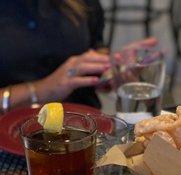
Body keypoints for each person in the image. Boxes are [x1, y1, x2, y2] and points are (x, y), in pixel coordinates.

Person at [0, 0, 157, 111]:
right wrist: (42, 90)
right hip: (10, 139)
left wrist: (112, 71)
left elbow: (95, 48)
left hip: (83, 129)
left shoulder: (81, 4)